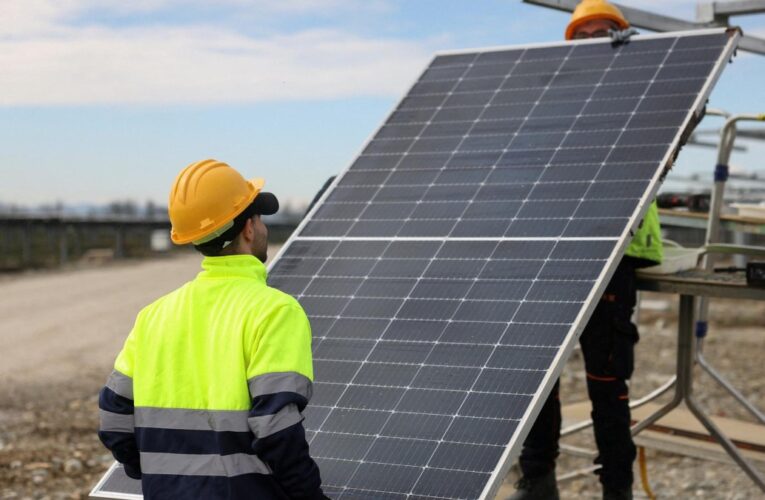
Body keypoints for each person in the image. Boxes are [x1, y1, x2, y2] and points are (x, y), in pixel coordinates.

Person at [97, 159, 329, 499]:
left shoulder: (153, 316)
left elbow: (113, 419)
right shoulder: (274, 311)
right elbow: (276, 429)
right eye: (260, 218)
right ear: (249, 229)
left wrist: (161, 474)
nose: (263, 228)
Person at [510, 2, 663, 500]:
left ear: (624, 37)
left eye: (607, 34)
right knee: (539, 379)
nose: (596, 41)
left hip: (616, 255)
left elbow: (679, 111)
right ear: (569, 46)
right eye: (585, 36)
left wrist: (638, 63)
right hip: (553, 256)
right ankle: (538, 481)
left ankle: (616, 489)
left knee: (607, 382)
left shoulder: (643, 90)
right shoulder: (555, 100)